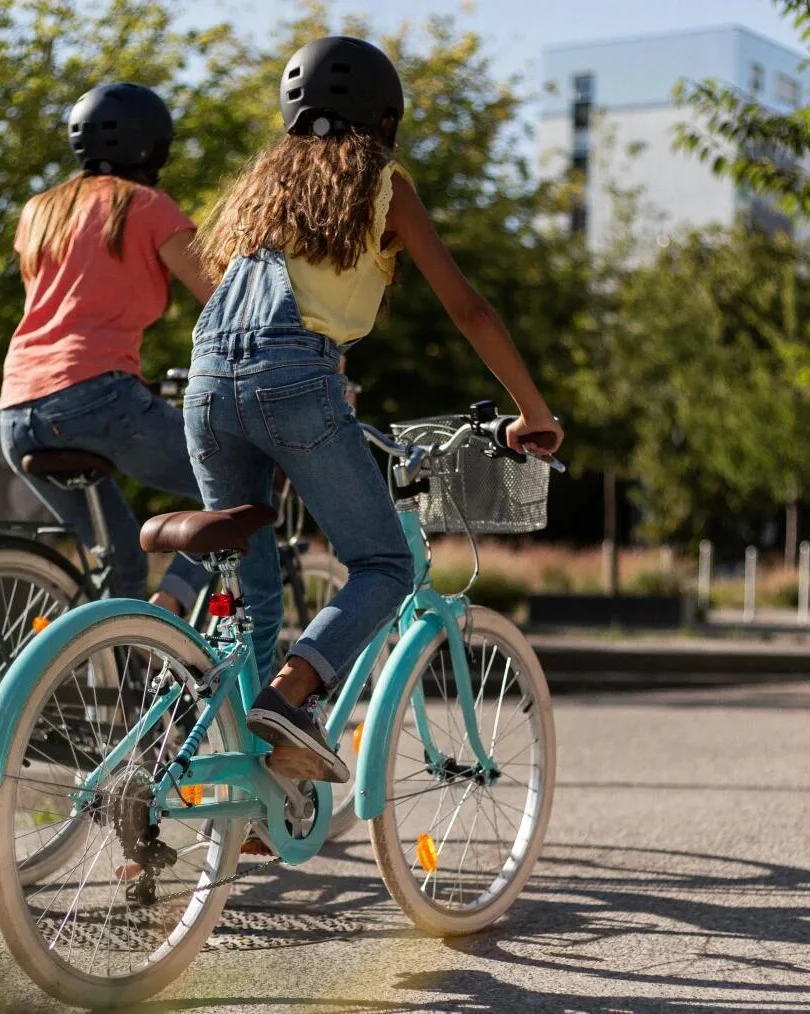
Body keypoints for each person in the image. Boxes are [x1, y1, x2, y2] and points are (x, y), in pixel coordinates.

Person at [185, 37, 564, 782]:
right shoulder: (381, 184)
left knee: (256, 590)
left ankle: (238, 783)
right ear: (383, 118)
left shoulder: (260, 189)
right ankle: (292, 697)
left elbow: (253, 300)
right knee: (384, 563)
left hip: (204, 383)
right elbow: (469, 306)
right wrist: (534, 411)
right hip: (297, 384)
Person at [0, 83, 214, 615]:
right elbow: (225, 293)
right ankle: (170, 609)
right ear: (154, 147)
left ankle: (119, 685)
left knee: (123, 559)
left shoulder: (39, 212)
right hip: (96, 396)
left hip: (16, 411)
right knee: (242, 484)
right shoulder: (148, 206)